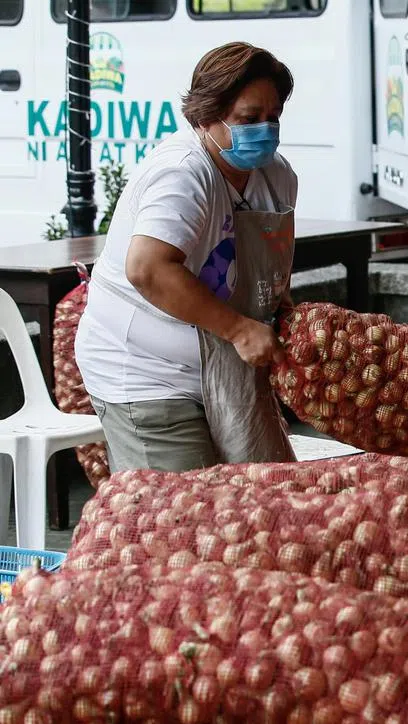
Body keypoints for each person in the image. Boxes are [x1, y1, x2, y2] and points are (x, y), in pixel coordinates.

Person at [75, 42, 298, 472]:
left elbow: (269, 260)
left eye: (273, 118)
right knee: (179, 513)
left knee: (263, 496)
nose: (265, 131)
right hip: (145, 371)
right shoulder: (183, 173)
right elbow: (148, 269)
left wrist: (280, 309)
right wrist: (238, 329)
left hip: (226, 367)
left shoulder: (278, 176)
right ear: (205, 117)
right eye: (249, 120)